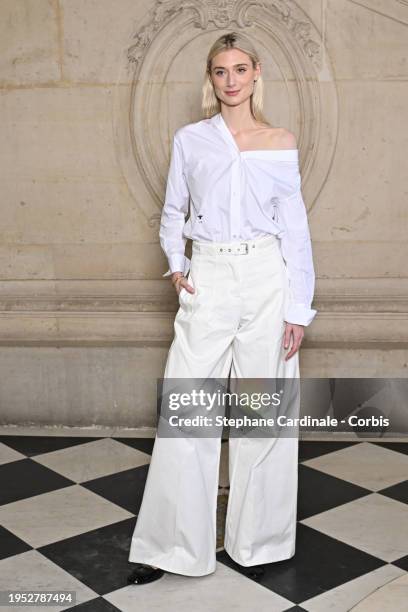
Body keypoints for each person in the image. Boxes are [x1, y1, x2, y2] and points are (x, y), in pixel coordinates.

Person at [127, 31, 317, 586]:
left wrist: (298, 308)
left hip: (266, 278)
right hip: (208, 276)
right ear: (210, 78)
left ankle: (260, 542)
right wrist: (176, 263)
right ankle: (171, 547)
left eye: (239, 69)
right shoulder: (191, 139)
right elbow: (172, 208)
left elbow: (296, 231)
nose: (230, 81)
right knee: (188, 408)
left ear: (256, 73)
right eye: (219, 71)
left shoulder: (280, 140)